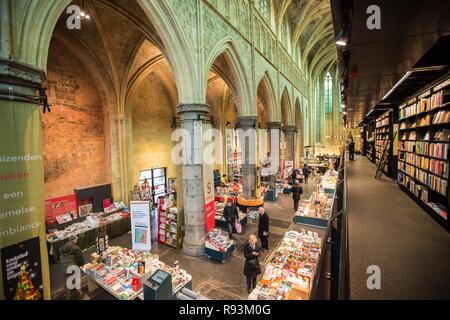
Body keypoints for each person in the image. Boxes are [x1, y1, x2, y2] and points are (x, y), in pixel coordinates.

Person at [60, 235, 85, 300]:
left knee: (66, 280)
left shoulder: (62, 248)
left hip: (64, 267)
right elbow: (80, 258)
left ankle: (68, 297)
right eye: (77, 239)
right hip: (73, 266)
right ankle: (79, 291)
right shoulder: (75, 248)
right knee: (76, 278)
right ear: (75, 240)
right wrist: (82, 264)